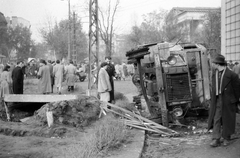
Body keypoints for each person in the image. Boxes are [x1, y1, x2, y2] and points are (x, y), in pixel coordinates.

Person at [208, 54, 240, 147]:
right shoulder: (215, 73)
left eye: (213, 63)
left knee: (227, 119)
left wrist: (236, 102)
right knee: (216, 118)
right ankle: (216, 139)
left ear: (218, 64)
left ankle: (226, 138)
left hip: (228, 100)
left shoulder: (232, 75)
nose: (212, 64)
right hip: (218, 99)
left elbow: (237, 90)